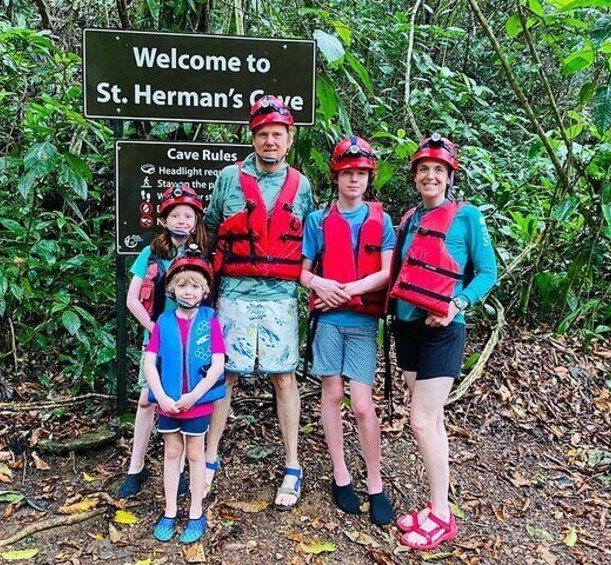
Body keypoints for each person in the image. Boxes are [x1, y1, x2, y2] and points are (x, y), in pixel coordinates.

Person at [203, 95, 314, 509]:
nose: (270, 141)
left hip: (280, 296)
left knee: (284, 377)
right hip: (233, 292)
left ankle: (292, 465)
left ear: (289, 139)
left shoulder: (300, 184)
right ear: (253, 137)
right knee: (224, 375)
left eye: (277, 135)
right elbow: (212, 226)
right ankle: (209, 457)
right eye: (263, 134)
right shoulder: (228, 179)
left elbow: (308, 239)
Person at [388, 134, 497, 550]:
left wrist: (456, 303)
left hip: (443, 329)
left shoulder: (467, 216)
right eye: (423, 169)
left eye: (438, 170)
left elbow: (487, 272)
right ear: (415, 176)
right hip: (408, 326)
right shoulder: (411, 218)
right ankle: (436, 505)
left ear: (450, 176)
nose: (430, 176)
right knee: (430, 422)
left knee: (420, 419)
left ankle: (442, 515)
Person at [300, 136, 396, 525]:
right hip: (326, 320)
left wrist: (350, 289)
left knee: (361, 404)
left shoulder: (382, 220)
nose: (353, 179)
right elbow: (303, 271)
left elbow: (388, 271)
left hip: (361, 321)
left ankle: (375, 482)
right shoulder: (318, 221)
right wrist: (319, 285)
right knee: (332, 392)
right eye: (347, 173)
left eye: (360, 173)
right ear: (336, 176)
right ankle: (341, 474)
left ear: (368, 177)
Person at [117, 185, 209, 499]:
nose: (181, 221)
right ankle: (136, 467)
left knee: (184, 398)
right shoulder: (150, 254)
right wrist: (154, 329)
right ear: (165, 219)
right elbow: (132, 300)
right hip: (157, 337)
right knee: (147, 400)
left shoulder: (200, 255)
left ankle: (181, 468)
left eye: (188, 215)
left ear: (196, 220)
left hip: (189, 340)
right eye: (175, 215)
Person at [144, 246, 226, 543]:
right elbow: (149, 362)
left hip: (196, 404)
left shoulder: (209, 321)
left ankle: (195, 511)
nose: (188, 291)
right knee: (171, 453)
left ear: (204, 291)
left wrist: (196, 394)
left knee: (195, 453)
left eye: (194, 286)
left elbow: (218, 364)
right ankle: (169, 510)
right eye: (182, 285)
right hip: (169, 403)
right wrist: (161, 396)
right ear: (171, 289)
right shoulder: (163, 324)